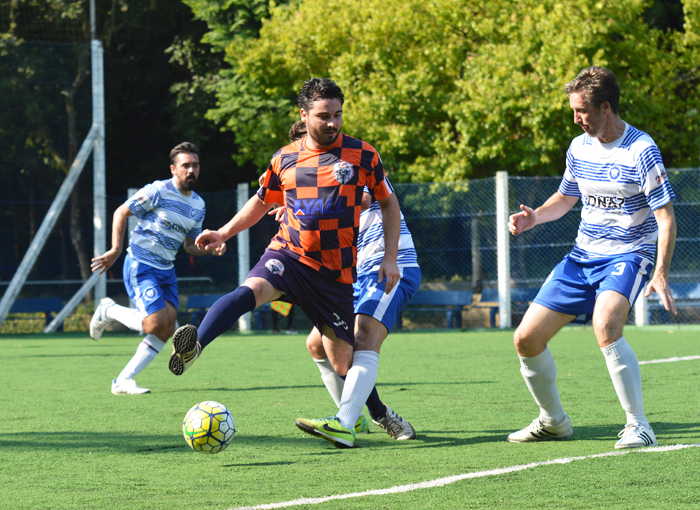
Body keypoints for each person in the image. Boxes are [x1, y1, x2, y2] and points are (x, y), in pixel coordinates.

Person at [168, 78, 402, 449]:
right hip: (290, 255)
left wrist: (390, 259)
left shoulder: (364, 155)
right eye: (324, 115)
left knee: (344, 363)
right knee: (250, 291)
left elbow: (389, 203)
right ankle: (196, 344)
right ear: (304, 114)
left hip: (336, 276)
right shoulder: (284, 158)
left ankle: (376, 412)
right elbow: (261, 202)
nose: (333, 123)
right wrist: (224, 233)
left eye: (338, 115)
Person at [507, 66, 677, 449]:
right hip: (583, 256)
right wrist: (535, 216)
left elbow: (665, 218)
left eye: (581, 110)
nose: (575, 118)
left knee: (606, 326)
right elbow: (566, 198)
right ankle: (553, 421)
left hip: (629, 254)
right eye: (573, 110)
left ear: (605, 107)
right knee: (525, 339)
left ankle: (639, 426)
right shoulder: (578, 147)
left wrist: (661, 272)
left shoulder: (641, 149)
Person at [275, 120, 419, 441]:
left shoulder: (348, 162)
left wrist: (300, 205)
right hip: (352, 275)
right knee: (317, 344)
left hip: (387, 265)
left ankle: (346, 422)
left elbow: (363, 200)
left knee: (364, 337)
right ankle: (365, 415)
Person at [89, 142, 227, 395]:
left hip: (166, 269)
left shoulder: (198, 205)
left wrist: (208, 248)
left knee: (167, 326)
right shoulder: (157, 191)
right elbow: (121, 213)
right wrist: (116, 249)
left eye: (195, 165)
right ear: (173, 169)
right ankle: (108, 310)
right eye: (186, 165)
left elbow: (189, 245)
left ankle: (123, 381)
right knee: (154, 323)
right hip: (141, 263)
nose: (191, 170)